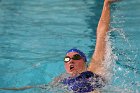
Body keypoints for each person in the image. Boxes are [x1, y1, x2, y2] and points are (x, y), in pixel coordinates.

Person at [0, 0, 118, 93]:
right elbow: (38, 88)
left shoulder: (93, 71)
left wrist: (106, 4)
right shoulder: (60, 82)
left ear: (85, 62)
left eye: (76, 57)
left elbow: (101, 35)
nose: (70, 60)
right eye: (67, 59)